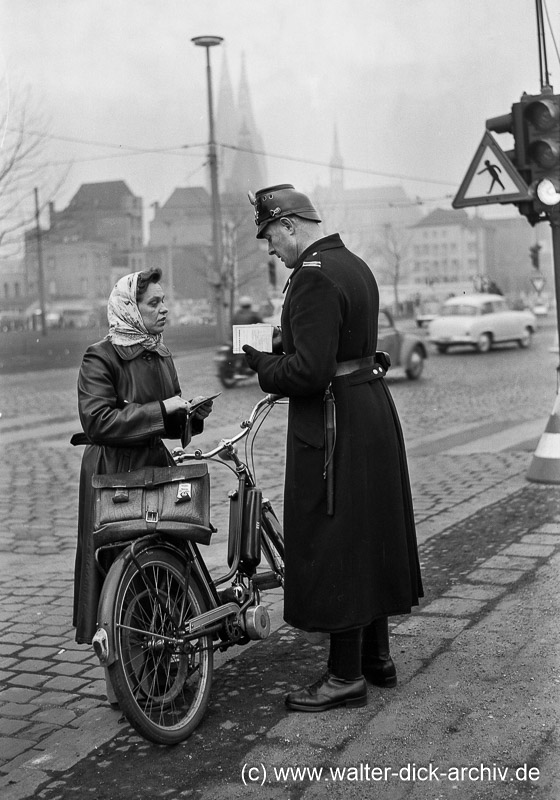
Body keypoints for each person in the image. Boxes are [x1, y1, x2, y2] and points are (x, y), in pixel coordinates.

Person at [243, 184, 423, 713]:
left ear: (290, 225)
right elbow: (340, 343)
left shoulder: (312, 278)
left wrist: (261, 365)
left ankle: (344, 677)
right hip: (368, 409)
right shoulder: (354, 266)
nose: (270, 249)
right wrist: (286, 342)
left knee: (336, 537)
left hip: (333, 423)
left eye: (271, 236)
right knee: (366, 531)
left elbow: (308, 371)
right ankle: (376, 659)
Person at [71, 268, 213, 646]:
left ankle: (170, 665)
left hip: (154, 468)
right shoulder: (100, 357)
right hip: (113, 473)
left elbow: (166, 420)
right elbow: (98, 421)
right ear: (131, 309)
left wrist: (188, 417)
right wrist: (162, 410)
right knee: (116, 572)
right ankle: (121, 678)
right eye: (154, 302)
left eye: (164, 300)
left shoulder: (159, 351)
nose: (164, 308)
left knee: (164, 565)